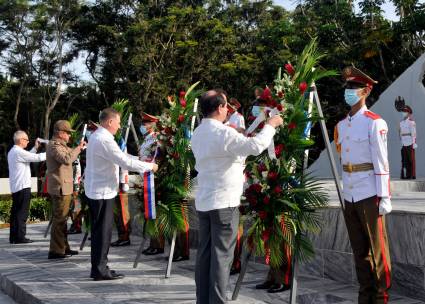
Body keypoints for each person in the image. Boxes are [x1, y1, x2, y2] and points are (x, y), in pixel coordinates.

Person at [191, 89, 283, 303]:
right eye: (225, 106)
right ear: (220, 108)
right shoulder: (224, 133)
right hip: (224, 203)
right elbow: (256, 146)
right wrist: (270, 125)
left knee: (205, 256)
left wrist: (237, 132)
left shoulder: (199, 132)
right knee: (222, 258)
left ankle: (203, 300)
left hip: (205, 202)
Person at [334, 66, 392, 304]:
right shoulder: (342, 124)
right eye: (347, 87)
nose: (348, 92)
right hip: (350, 194)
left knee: (377, 251)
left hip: (369, 193)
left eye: (353, 88)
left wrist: (384, 196)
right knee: (359, 251)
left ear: (366, 91)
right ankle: (365, 294)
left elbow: (381, 161)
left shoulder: (374, 123)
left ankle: (380, 296)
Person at [84, 108, 158, 281]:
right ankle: (100, 270)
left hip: (98, 190)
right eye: (118, 122)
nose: (119, 126)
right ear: (110, 122)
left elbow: (121, 155)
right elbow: (123, 161)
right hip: (102, 192)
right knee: (103, 232)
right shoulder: (104, 139)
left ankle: (99, 267)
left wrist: (140, 160)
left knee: (99, 231)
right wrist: (149, 166)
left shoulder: (98, 136)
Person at [46, 120, 86, 259]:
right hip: (60, 188)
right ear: (61, 133)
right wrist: (77, 149)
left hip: (64, 187)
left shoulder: (61, 145)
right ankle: (56, 250)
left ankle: (63, 247)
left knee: (62, 220)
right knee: (59, 219)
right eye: (68, 133)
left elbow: (71, 152)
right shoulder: (54, 145)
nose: (70, 136)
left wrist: (79, 147)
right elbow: (67, 159)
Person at [8, 131, 46, 244]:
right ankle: (20, 237)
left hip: (17, 187)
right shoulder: (18, 152)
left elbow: (28, 157)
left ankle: (14, 237)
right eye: (26, 139)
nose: (28, 141)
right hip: (23, 186)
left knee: (16, 212)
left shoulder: (14, 151)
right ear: (20, 140)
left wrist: (35, 148)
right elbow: (37, 158)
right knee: (22, 213)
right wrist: (51, 152)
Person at [399, 105, 416, 179]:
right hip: (404, 143)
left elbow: (414, 133)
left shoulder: (411, 122)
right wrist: (401, 141)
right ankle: (406, 174)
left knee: (411, 160)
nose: (404, 113)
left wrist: (414, 142)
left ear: (409, 113)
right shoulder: (401, 123)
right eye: (403, 112)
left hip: (410, 142)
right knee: (404, 160)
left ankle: (412, 175)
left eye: (405, 112)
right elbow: (400, 133)